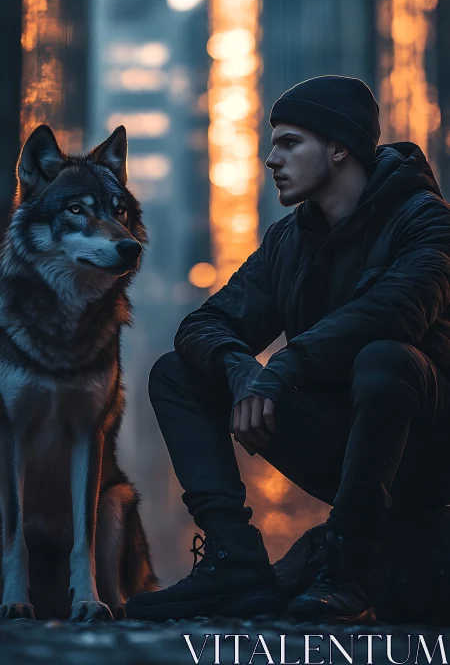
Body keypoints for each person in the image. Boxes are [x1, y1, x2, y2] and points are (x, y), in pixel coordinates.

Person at [126, 75, 450, 623]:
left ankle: (348, 566)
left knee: (386, 359)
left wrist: (284, 366)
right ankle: (234, 558)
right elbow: (206, 323)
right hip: (338, 440)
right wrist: (240, 370)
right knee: (177, 372)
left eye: (289, 143)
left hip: (421, 446)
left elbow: (397, 310)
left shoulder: (426, 219)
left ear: (339, 147)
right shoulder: (289, 239)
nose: (271, 159)